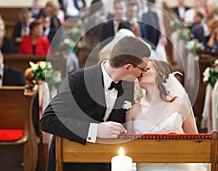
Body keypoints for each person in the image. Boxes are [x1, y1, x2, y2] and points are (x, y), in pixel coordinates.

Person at [40, 36, 151, 171]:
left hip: (104, 162)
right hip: (71, 162)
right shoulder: (78, 80)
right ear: (127, 67)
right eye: (143, 69)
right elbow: (48, 120)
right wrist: (95, 130)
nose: (143, 73)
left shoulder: (128, 85)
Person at [126, 60, 206, 171]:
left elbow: (198, 144)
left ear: (162, 75)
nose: (141, 73)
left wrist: (180, 138)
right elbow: (129, 149)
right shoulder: (133, 111)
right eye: (140, 70)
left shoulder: (178, 104)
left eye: (147, 69)